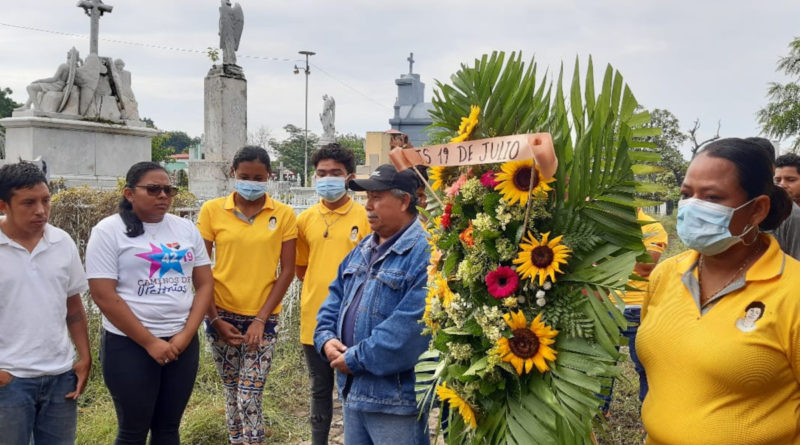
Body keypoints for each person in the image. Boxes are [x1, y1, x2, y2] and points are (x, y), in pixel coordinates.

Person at [637, 138, 800, 444]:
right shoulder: (667, 274)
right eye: (686, 194)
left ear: (756, 209)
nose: (692, 207)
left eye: (711, 198)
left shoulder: (792, 292)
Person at [86, 161, 214, 444]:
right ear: (129, 193)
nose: (164, 196)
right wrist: (150, 342)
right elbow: (104, 294)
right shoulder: (108, 231)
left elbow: (204, 284)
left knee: (168, 428)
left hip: (181, 343)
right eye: (153, 189)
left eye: (169, 190)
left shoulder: (185, 229)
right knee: (133, 430)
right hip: (129, 345)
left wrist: (185, 335)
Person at [314, 163, 432, 445]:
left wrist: (355, 359)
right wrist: (326, 339)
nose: (368, 206)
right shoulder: (364, 247)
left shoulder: (425, 253)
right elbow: (333, 301)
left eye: (377, 197)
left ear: (404, 201)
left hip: (395, 400)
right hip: (353, 392)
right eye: (367, 198)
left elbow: (409, 330)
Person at [197, 146, 297, 445]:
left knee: (249, 396)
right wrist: (213, 319)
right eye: (244, 176)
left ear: (269, 176)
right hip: (221, 315)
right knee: (232, 393)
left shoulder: (283, 214)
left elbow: (288, 270)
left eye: (258, 177)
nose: (251, 183)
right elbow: (200, 270)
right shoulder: (212, 210)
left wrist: (260, 319)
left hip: (263, 319)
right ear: (233, 174)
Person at [0, 162, 90, 445]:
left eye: (45, 200)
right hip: (10, 380)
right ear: (3, 205)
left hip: (60, 377)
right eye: (28, 203)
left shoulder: (62, 242)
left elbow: (73, 305)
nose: (41, 210)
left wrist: (84, 357)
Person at [295, 143, 370, 445]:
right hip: (314, 317)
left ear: (349, 177)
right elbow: (302, 269)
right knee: (319, 390)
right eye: (321, 173)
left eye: (335, 173)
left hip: (356, 320)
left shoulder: (366, 217)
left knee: (356, 388)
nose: (327, 179)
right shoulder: (305, 220)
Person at [601, 208, 667, 414]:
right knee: (603, 366)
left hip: (638, 308)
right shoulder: (603, 221)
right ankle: (599, 414)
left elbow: (645, 267)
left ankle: (649, 418)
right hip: (607, 305)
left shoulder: (652, 227)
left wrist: (613, 242)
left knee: (645, 366)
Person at [746, 137, 800, 260]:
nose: (782, 184)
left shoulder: (792, 214)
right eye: (778, 179)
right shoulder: (735, 207)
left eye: (790, 179)